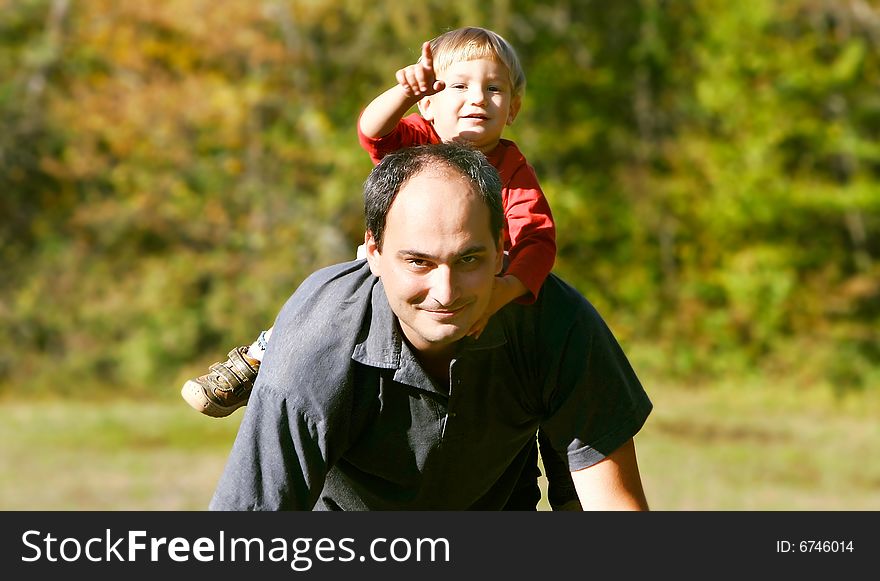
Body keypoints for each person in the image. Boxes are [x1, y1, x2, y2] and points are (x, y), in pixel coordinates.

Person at [184, 26, 575, 510]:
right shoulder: (417, 134)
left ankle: (562, 466)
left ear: (512, 108)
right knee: (323, 301)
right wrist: (405, 93)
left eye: (494, 89)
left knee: (540, 338)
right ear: (429, 101)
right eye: (458, 86)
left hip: (472, 286)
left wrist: (507, 289)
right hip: (384, 272)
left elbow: (537, 239)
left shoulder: (511, 168)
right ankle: (266, 357)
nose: (478, 98)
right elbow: (372, 129)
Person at [209, 142, 652, 511]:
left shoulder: (554, 320)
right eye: (418, 261)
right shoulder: (315, 340)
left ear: (502, 249)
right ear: (374, 251)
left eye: (469, 259)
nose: (445, 292)